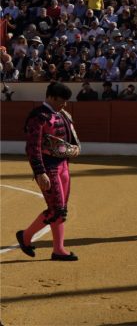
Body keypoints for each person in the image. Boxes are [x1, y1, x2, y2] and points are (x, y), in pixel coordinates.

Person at [16, 82, 81, 261]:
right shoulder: (38, 117)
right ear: (51, 97)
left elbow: (72, 139)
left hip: (63, 166)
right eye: (62, 100)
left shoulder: (63, 115)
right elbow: (32, 147)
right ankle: (30, 238)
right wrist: (39, 172)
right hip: (48, 168)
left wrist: (74, 150)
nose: (65, 104)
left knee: (61, 209)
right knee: (56, 209)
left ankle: (52, 247)